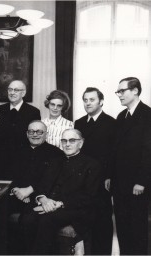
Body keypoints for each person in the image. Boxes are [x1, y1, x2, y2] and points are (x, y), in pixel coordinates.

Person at [19, 129, 101, 254]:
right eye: (64, 141)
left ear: (81, 143)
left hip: (75, 209)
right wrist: (43, 199)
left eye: (72, 140)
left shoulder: (91, 165)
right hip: (49, 204)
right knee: (27, 219)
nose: (67, 144)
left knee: (46, 221)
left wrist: (59, 204)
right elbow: (42, 185)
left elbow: (89, 196)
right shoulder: (54, 161)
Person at [8, 120, 64, 254]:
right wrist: (16, 190)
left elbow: (52, 180)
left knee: (29, 221)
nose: (35, 134)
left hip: (41, 198)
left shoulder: (56, 153)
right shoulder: (17, 151)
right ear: (27, 134)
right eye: (31, 131)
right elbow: (9, 175)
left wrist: (30, 192)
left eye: (39, 131)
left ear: (46, 134)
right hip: (17, 196)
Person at [110, 77, 151, 255]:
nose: (119, 95)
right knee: (123, 227)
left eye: (122, 91)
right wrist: (110, 176)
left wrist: (141, 181)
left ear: (135, 91)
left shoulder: (148, 115)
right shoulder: (121, 116)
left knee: (137, 228)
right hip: (120, 185)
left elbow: (148, 152)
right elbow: (116, 152)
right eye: (117, 92)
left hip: (137, 185)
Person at [74, 87, 115, 255]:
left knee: (103, 221)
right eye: (85, 100)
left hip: (102, 180)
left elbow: (114, 153)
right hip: (82, 179)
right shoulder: (79, 123)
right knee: (84, 218)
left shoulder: (111, 123)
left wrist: (110, 176)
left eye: (92, 100)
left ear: (101, 102)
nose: (88, 103)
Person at [0, 80, 41, 153]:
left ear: (23, 93)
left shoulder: (33, 112)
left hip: (24, 156)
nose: (12, 93)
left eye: (16, 90)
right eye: (10, 89)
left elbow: (35, 138)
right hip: (2, 156)